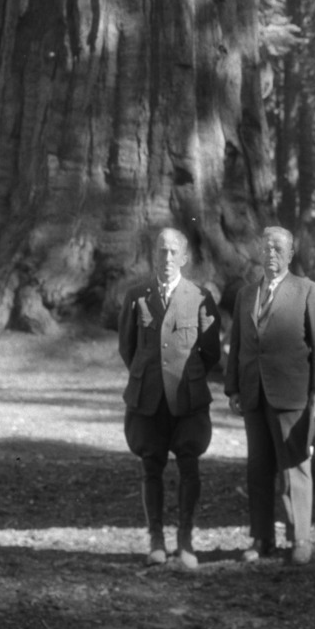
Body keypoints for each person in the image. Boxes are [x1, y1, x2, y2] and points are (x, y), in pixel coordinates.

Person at [225, 224, 315, 564]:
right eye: (267, 248)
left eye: (278, 249)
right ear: (259, 251)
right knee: (258, 468)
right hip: (254, 394)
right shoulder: (245, 295)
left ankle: (300, 537)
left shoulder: (306, 290)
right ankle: (261, 537)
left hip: (292, 393)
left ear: (290, 254)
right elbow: (239, 345)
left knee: (296, 466)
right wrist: (233, 388)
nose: (271, 254)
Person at [118, 225, 220, 570]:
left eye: (174, 252)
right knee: (151, 467)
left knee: (190, 467)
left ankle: (186, 540)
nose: (167, 258)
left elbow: (209, 353)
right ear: (153, 255)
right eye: (161, 251)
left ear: (186, 258)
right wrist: (150, 377)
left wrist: (184, 377)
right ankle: (156, 539)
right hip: (149, 398)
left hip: (187, 399)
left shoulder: (201, 297)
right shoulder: (137, 296)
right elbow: (128, 347)